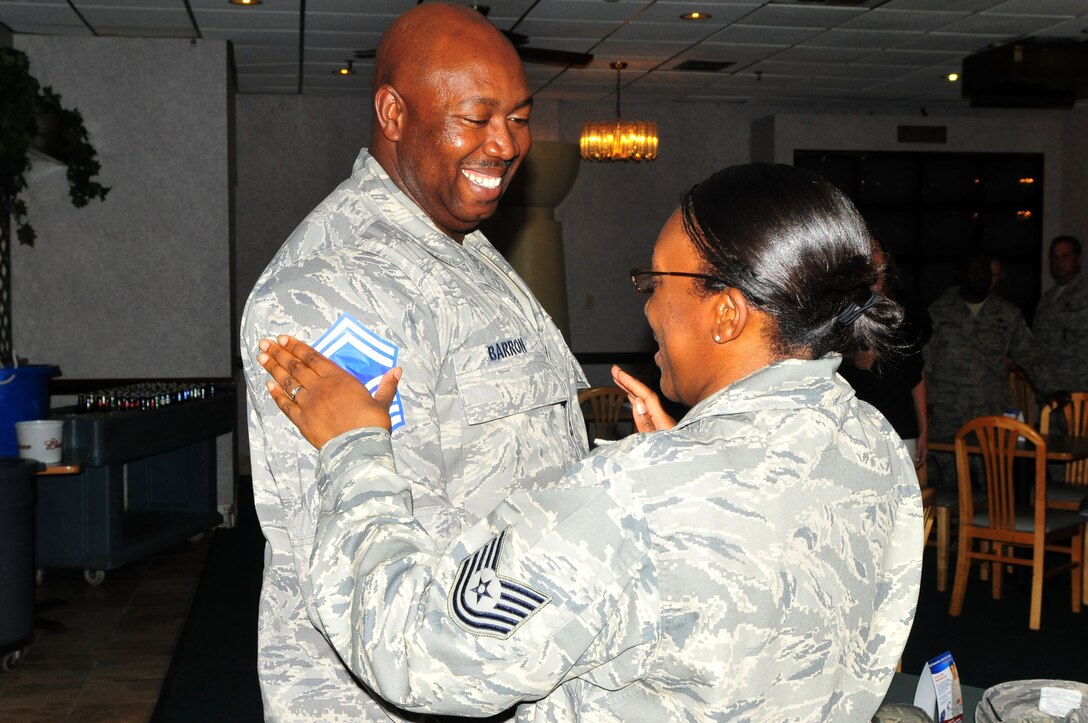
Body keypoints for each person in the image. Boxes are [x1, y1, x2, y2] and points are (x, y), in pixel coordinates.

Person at [256, 163, 923, 721]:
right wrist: (687, 463)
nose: (647, 308)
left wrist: (354, 447)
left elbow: (413, 650)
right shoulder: (875, 446)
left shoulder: (631, 500)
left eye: (659, 283)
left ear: (726, 313)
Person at [238, 4, 588, 719]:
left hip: (505, 666)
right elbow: (385, 555)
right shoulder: (333, 288)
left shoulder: (459, 242)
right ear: (393, 113)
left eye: (519, 117)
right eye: (476, 116)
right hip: (414, 692)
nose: (506, 144)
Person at [924, 252, 1055, 483]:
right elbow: (925, 362)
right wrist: (925, 406)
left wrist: (1054, 391)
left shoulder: (1006, 313)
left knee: (994, 486)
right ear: (960, 274)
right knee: (951, 487)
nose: (980, 275)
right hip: (948, 418)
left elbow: (1031, 356)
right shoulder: (939, 312)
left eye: (984, 270)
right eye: (974, 269)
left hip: (991, 417)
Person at [839, 240, 931, 468]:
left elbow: (916, 375)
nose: (869, 257)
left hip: (900, 422)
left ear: (886, 258)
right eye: (863, 252)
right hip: (856, 427)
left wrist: (924, 430)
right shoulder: (843, 310)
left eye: (874, 251)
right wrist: (854, 360)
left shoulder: (906, 309)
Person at [1033, 235, 1088, 393]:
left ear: (1078, 259)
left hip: (1079, 387)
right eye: (1055, 257)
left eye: (1065, 256)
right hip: (1052, 388)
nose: (1059, 262)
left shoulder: (1084, 295)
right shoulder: (1048, 299)